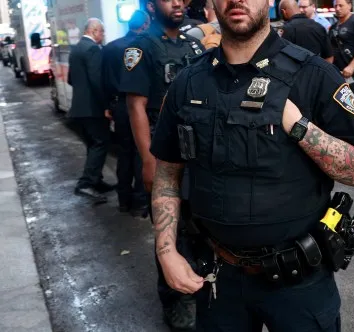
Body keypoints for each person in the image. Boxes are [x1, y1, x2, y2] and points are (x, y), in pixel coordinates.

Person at [148, 0, 354, 329]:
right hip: (218, 277)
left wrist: (299, 127)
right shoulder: (188, 83)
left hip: (299, 283)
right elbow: (168, 174)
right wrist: (166, 251)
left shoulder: (314, 76)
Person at [118, 0, 205, 330]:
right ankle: (176, 301)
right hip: (163, 148)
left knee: (202, 226)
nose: (178, 3)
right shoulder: (141, 48)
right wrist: (149, 161)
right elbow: (136, 108)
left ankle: (202, 289)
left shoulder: (193, 44)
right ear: (152, 7)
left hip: (197, 150)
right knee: (172, 232)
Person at [102, 10, 150, 214]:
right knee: (141, 152)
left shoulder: (111, 47)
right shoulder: (144, 47)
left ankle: (123, 199)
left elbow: (103, 79)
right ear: (145, 24)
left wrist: (108, 106)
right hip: (140, 104)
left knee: (124, 152)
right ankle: (139, 203)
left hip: (119, 106)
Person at [68, 18, 114, 204]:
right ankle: (86, 183)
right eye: (102, 32)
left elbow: (71, 79)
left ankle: (97, 180)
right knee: (100, 143)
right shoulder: (93, 49)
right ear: (94, 31)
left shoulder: (77, 48)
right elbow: (97, 81)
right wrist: (106, 106)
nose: (103, 36)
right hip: (93, 109)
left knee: (92, 144)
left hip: (79, 108)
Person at [330, 0, 354, 113]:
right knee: (341, 111)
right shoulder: (334, 27)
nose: (337, 8)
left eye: (341, 5)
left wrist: (351, 66)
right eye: (335, 6)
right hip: (339, 75)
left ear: (349, 5)